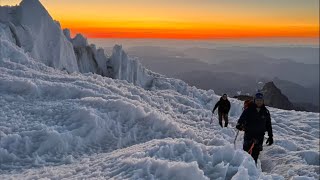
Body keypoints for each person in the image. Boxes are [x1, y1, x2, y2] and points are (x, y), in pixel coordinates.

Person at [236, 92, 273, 164]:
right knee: (246, 154)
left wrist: (270, 136)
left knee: (255, 155)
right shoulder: (248, 110)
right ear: (254, 100)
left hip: (259, 137)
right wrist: (239, 124)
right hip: (249, 135)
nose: (259, 102)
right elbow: (242, 119)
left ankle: (252, 171)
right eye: (257, 100)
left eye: (260, 100)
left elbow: (268, 125)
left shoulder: (265, 112)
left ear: (263, 101)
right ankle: (244, 170)